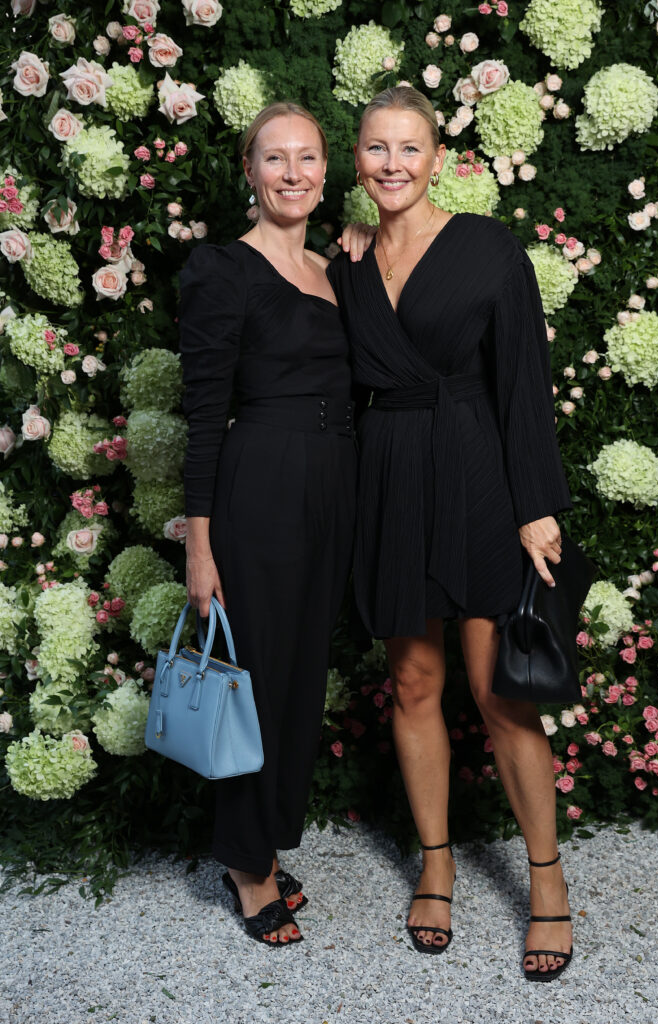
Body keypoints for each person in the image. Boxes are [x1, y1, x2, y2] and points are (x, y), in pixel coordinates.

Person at [328, 87, 573, 980]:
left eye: (408, 148)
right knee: (412, 682)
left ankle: (545, 880)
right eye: (376, 148)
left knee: (498, 692)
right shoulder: (347, 263)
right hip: (389, 479)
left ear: (438, 159)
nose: (391, 163)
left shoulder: (484, 246)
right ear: (358, 159)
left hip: (475, 474)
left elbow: (523, 380)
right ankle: (435, 864)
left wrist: (534, 506)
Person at [179, 102, 356, 948]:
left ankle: (267, 842)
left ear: (325, 172)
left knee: (297, 677)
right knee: (254, 681)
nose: (293, 173)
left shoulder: (337, 270)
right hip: (261, 488)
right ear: (249, 172)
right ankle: (246, 868)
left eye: (307, 157)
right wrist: (200, 547)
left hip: (331, 489)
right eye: (275, 158)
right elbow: (203, 415)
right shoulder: (223, 270)